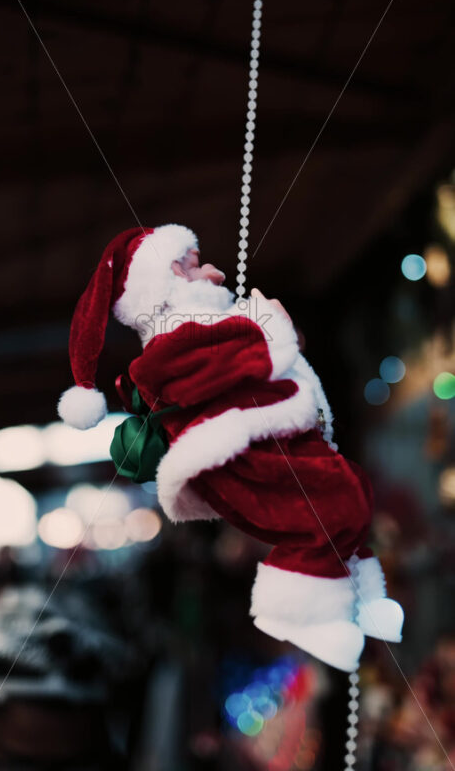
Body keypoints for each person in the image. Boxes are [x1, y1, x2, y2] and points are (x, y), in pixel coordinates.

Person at [59, 224, 404, 671]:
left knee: (349, 493)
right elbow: (232, 367)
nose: (216, 273)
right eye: (194, 267)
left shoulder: (199, 329)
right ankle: (302, 614)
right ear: (165, 285)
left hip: (260, 437)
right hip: (236, 450)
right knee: (331, 507)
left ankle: (359, 599)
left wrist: (267, 332)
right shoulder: (174, 342)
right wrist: (273, 330)